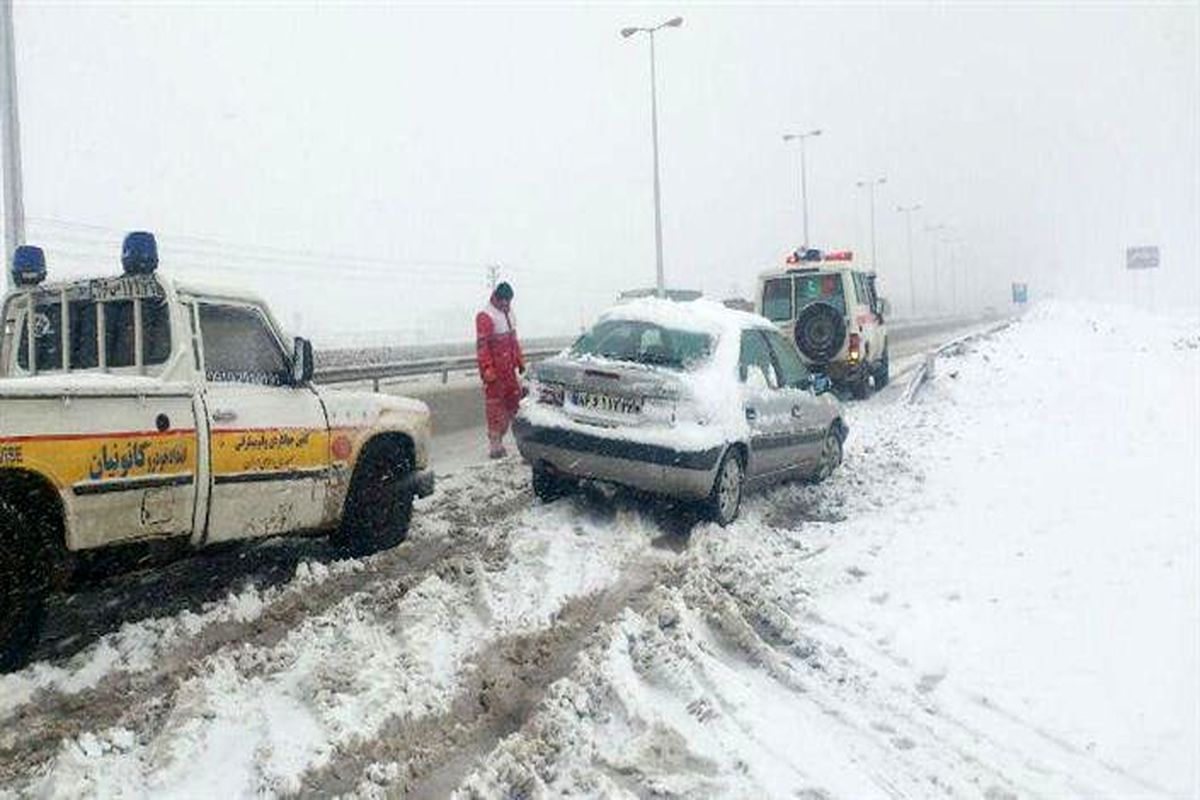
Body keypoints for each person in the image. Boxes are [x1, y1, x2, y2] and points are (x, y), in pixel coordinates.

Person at [475, 282, 525, 458]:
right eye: (504, 301)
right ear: (497, 298)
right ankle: (495, 445)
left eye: (509, 301)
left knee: (515, 407)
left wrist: (520, 360)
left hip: (509, 371)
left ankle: (521, 442)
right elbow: (482, 347)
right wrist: (487, 368)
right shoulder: (485, 316)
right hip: (495, 374)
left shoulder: (509, 313)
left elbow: (514, 341)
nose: (506, 304)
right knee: (495, 409)